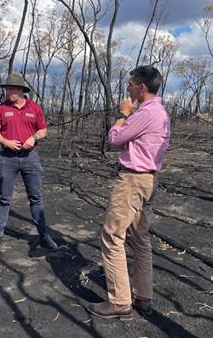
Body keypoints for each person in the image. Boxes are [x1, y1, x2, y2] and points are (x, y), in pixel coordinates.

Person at [87, 66, 170, 321]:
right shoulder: (161, 112)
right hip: (149, 181)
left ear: (142, 88)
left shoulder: (144, 112)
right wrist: (126, 134)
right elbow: (128, 140)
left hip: (132, 181)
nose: (128, 88)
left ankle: (120, 302)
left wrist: (123, 115)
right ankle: (143, 298)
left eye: (131, 84)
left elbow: (115, 139)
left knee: (112, 236)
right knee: (139, 239)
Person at [0, 73, 58, 251]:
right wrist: (6, 142)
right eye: (6, 89)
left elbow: (42, 130)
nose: (8, 92)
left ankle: (43, 234)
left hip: (30, 158)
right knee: (4, 198)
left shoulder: (35, 108)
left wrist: (34, 137)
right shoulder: (1, 109)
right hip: (7, 158)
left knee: (35, 197)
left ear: (21, 89)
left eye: (11, 89)